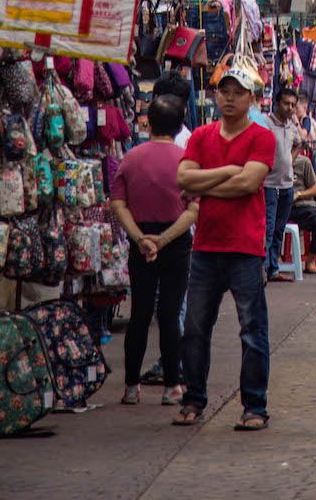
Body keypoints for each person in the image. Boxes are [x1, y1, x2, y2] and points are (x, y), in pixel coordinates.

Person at [175, 65, 276, 432]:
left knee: (252, 330)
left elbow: (248, 184)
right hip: (205, 248)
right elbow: (182, 178)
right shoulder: (201, 135)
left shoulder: (262, 137)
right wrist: (228, 172)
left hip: (245, 249)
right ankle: (193, 399)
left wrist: (203, 184)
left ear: (251, 97)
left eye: (237, 92)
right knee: (196, 329)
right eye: (224, 91)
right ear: (216, 94)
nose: (229, 97)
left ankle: (255, 406)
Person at [111, 96, 197, 406]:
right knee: (170, 315)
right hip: (175, 242)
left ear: (149, 124)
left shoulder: (131, 158)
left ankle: (131, 387)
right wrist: (163, 241)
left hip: (141, 242)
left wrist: (140, 238)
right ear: (178, 126)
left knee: (140, 314)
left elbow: (118, 203)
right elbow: (193, 210)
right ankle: (172, 386)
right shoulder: (186, 160)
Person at [263, 87, 300, 281]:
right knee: (268, 229)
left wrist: (289, 161)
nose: (290, 108)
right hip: (269, 184)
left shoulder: (291, 127)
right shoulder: (267, 123)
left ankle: (273, 269)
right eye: (286, 103)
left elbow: (299, 143)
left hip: (287, 185)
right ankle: (264, 268)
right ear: (277, 103)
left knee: (279, 229)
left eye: (293, 105)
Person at [290, 149, 316, 274]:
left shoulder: (304, 162)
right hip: (282, 207)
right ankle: (274, 259)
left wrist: (299, 195)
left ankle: (310, 259)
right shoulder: (275, 163)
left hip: (303, 206)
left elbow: (314, 189)